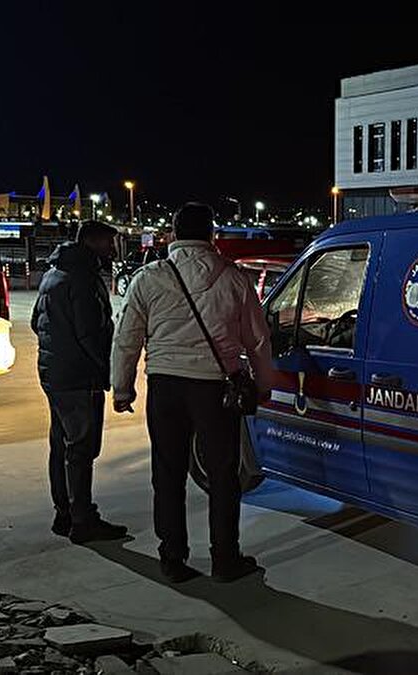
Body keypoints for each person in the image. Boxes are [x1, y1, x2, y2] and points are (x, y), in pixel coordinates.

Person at [111, 202, 274, 583]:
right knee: (223, 474)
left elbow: (127, 338)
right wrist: (263, 385)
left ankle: (172, 558)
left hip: (165, 386)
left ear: (173, 234)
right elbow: (258, 340)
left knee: (168, 473)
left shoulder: (149, 278)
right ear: (212, 235)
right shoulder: (234, 278)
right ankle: (225, 559)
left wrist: (122, 387)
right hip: (216, 388)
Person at [31, 220, 128, 545]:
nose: (113, 250)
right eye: (109, 243)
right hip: (78, 376)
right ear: (92, 242)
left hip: (54, 373)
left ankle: (64, 514)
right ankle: (83, 520)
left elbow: (35, 322)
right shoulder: (83, 278)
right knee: (82, 449)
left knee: (62, 445)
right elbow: (90, 333)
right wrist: (106, 369)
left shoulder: (54, 273)